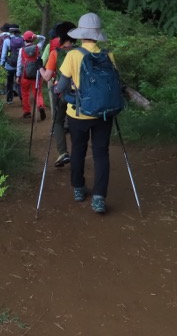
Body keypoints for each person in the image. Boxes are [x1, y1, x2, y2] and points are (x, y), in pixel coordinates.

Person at [54, 12, 116, 214]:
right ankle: (99, 198)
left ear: (81, 35)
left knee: (78, 149)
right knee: (101, 153)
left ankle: (79, 189)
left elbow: (61, 86)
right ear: (98, 34)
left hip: (79, 114)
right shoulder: (108, 55)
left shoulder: (73, 55)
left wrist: (62, 90)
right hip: (104, 114)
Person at [39, 21, 76, 167]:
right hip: (79, 94)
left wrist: (39, 68)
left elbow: (47, 76)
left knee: (58, 122)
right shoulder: (80, 51)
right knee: (75, 122)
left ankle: (63, 152)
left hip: (60, 92)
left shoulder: (55, 53)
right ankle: (78, 152)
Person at [17, 30, 46, 119]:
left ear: (24, 39)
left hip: (25, 75)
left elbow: (19, 64)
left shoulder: (21, 50)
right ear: (32, 39)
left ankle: (27, 112)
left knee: (25, 93)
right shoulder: (38, 47)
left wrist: (18, 75)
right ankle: (40, 105)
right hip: (36, 75)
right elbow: (43, 39)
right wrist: (36, 36)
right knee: (38, 93)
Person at [0, 25, 23, 103]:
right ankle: (22, 98)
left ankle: (9, 99)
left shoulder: (7, 40)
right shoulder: (22, 39)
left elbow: (4, 54)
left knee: (9, 82)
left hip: (9, 65)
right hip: (20, 65)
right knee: (19, 81)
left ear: (11, 32)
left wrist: (2, 64)